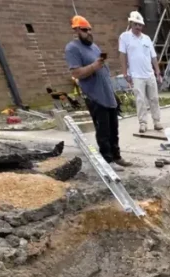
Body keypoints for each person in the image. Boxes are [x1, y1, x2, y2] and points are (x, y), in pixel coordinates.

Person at [65, 15, 132, 169]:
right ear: (76, 31)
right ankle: (107, 161)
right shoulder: (72, 48)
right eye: (84, 30)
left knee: (113, 129)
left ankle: (116, 156)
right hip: (95, 96)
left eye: (89, 29)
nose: (88, 32)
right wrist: (94, 66)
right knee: (103, 131)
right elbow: (76, 73)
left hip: (107, 94)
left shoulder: (94, 47)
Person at [119, 12, 164, 135]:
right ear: (130, 24)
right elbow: (123, 56)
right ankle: (143, 123)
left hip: (149, 74)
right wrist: (125, 73)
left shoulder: (147, 39)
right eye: (136, 24)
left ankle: (157, 121)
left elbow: (153, 57)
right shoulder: (124, 37)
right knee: (140, 100)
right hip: (136, 75)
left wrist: (157, 72)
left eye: (140, 25)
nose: (138, 27)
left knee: (154, 98)